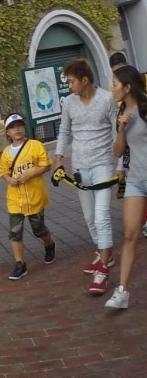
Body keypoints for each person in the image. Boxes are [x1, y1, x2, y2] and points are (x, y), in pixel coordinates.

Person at [52, 57, 119, 295]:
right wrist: (59, 157)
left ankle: (103, 269)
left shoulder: (107, 100)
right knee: (90, 217)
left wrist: (120, 164)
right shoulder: (69, 103)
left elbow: (116, 131)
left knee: (101, 216)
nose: (69, 86)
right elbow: (64, 131)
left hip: (103, 165)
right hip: (80, 167)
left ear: (85, 80)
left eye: (71, 82)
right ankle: (105, 253)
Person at [106, 64, 147, 309]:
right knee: (130, 233)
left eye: (115, 84)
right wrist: (121, 129)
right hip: (136, 181)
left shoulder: (145, 109)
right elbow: (118, 151)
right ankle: (121, 292)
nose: (112, 89)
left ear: (127, 87)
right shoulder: (122, 113)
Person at [0, 113, 55, 281]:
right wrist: (9, 179)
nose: (17, 129)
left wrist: (30, 174)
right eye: (13, 127)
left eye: (20, 125)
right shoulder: (6, 153)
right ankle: (20, 264)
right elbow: (3, 171)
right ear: (8, 132)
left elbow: (46, 165)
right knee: (15, 232)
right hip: (15, 199)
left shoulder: (35, 145)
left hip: (34, 196)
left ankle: (49, 244)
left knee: (39, 229)